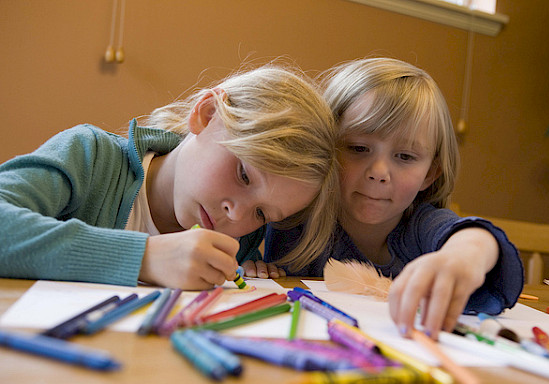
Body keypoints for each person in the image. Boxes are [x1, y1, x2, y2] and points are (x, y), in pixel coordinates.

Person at [0, 63, 339, 291]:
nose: (236, 215)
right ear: (207, 114)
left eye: (262, 214)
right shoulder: (88, 155)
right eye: (244, 176)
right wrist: (144, 257)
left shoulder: (239, 242)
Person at [253, 58, 523, 339]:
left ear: (430, 174)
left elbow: (476, 239)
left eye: (405, 156)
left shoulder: (421, 225)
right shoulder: (295, 218)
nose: (379, 172)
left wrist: (464, 258)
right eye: (358, 148)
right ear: (325, 148)